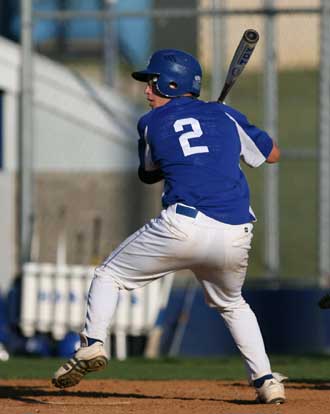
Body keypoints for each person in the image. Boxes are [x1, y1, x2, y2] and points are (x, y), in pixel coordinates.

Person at [52, 49, 286, 404]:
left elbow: (148, 173)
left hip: (183, 227)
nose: (147, 90)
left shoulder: (149, 123)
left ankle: (92, 344)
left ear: (171, 83)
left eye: (153, 82)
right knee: (234, 305)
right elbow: (271, 155)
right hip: (235, 233)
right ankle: (268, 381)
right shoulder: (223, 113)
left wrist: (191, 154)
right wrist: (222, 144)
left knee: (108, 276)